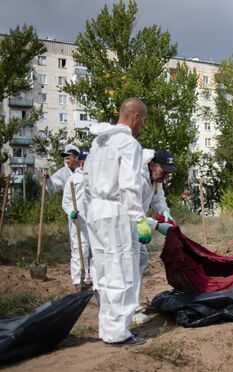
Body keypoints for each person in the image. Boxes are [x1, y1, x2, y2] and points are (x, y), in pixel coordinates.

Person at [83, 97, 151, 346]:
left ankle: (107, 327)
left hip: (95, 210)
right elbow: (129, 186)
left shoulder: (99, 141)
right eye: (142, 120)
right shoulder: (128, 144)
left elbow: (87, 179)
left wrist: (93, 206)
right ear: (134, 117)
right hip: (116, 211)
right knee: (122, 270)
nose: (142, 125)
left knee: (102, 269)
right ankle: (118, 333)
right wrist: (138, 218)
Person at [138, 148, 176, 288]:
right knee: (124, 265)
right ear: (152, 165)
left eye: (168, 173)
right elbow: (130, 210)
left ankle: (133, 305)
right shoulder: (138, 178)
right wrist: (156, 225)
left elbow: (158, 200)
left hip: (137, 223)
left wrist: (165, 213)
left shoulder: (155, 179)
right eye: (163, 171)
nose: (164, 176)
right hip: (123, 224)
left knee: (140, 260)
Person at [62, 150, 91, 288]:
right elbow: (66, 201)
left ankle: (89, 275)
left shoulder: (93, 178)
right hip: (78, 219)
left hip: (92, 218)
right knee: (79, 247)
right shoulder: (73, 179)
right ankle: (78, 278)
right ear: (81, 162)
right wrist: (70, 211)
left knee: (92, 248)